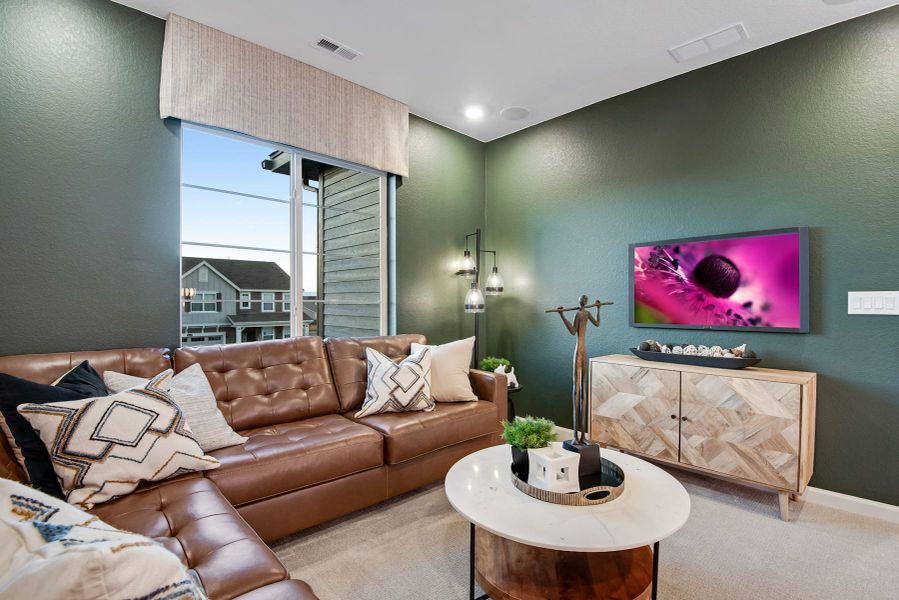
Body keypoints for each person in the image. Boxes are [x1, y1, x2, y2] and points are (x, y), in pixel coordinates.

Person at [556, 295, 601, 444]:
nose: (584, 301)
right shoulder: (579, 314)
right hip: (578, 353)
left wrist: (598, 309)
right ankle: (575, 435)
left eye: (585, 300)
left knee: (583, 391)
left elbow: (597, 324)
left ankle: (583, 436)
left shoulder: (586, 313)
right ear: (581, 301)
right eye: (583, 299)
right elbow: (573, 331)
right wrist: (562, 315)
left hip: (583, 352)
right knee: (576, 391)